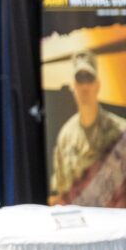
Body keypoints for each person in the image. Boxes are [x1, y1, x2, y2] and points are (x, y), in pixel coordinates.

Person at [49, 49, 126, 203]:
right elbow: (61, 193)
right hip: (80, 221)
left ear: (97, 85)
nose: (85, 87)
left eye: (89, 79)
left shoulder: (120, 132)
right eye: (80, 80)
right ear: (73, 87)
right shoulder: (66, 136)